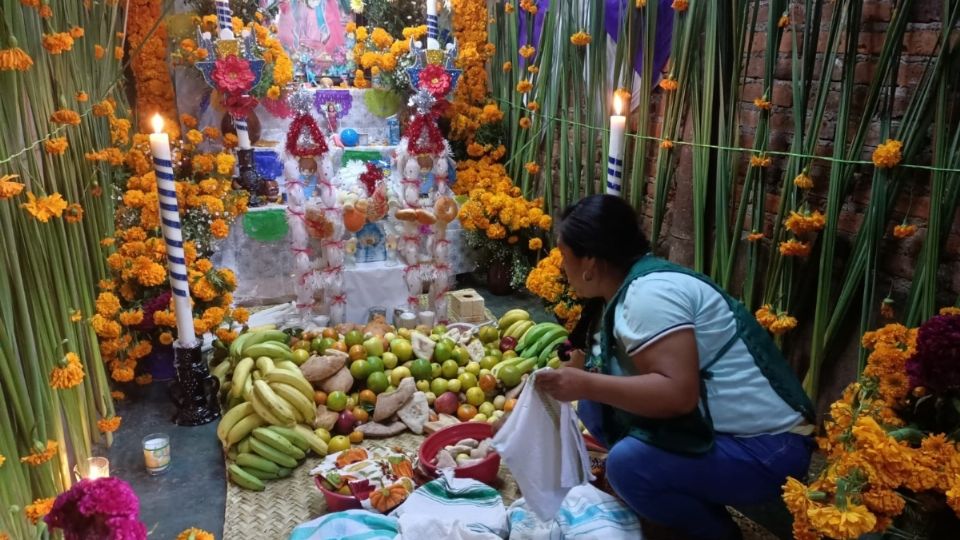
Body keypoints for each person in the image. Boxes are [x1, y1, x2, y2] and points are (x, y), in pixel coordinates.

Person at [535, 194, 816, 540]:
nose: (563, 267)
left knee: (627, 465)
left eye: (565, 257)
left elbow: (678, 395)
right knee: (597, 407)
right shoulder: (633, 287)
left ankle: (713, 532)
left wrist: (585, 384)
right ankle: (682, 494)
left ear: (590, 262)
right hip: (730, 433)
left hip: (769, 450)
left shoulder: (648, 296)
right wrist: (587, 379)